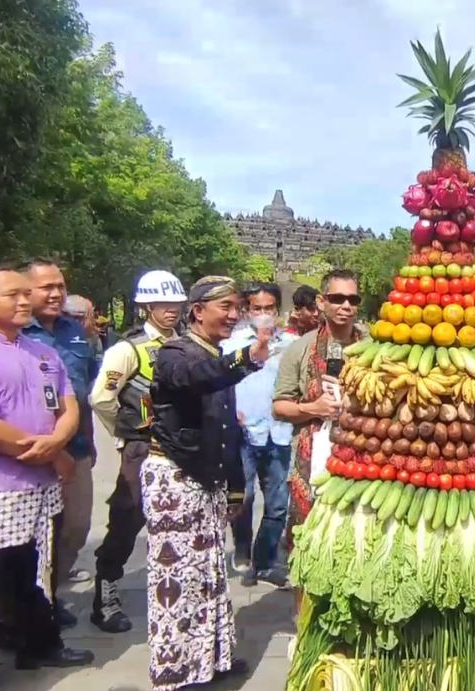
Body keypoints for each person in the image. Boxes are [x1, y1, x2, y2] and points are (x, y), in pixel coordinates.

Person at [0, 266, 93, 670]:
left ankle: (39, 644)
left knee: (35, 574)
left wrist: (59, 440)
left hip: (40, 489)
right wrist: (51, 451)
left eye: (23, 293)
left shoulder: (44, 353)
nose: (22, 300)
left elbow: (69, 407)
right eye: (11, 295)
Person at [144, 276, 270, 690]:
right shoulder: (175, 353)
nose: (234, 316)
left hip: (207, 481)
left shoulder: (215, 355)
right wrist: (244, 360)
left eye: (238, 308)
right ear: (197, 311)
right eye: (226, 308)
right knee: (176, 580)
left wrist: (235, 488)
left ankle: (210, 659)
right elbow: (194, 378)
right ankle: (176, 672)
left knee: (209, 575)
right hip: (175, 479)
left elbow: (226, 430)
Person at [89, 269, 187, 633]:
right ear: (146, 306)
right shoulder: (128, 349)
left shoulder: (185, 343)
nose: (170, 310)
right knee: (127, 518)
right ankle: (106, 595)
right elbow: (101, 398)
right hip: (143, 449)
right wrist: (125, 433)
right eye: (161, 304)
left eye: (175, 303)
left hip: (180, 449)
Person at [273, 270, 360, 600]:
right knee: (307, 539)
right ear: (322, 302)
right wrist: (314, 408)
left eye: (353, 299)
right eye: (337, 298)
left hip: (360, 458)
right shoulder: (300, 350)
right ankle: (306, 617)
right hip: (311, 459)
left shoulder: (370, 350)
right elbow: (280, 406)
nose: (345, 306)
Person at [21, 260, 99, 626]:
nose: (55, 293)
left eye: (60, 286)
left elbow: (85, 391)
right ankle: (28, 609)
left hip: (77, 448)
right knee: (32, 536)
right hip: (30, 452)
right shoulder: (15, 333)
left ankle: (51, 592)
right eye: (46, 287)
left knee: (76, 527)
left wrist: (89, 440)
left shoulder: (75, 331)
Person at [222, 282, 297, 587]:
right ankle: (241, 550)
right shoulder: (232, 343)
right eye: (257, 308)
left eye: (269, 308)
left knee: (278, 502)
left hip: (278, 432)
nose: (264, 314)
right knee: (244, 496)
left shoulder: (291, 345)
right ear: (247, 311)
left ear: (278, 311)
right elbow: (220, 380)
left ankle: (264, 560)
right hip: (243, 433)